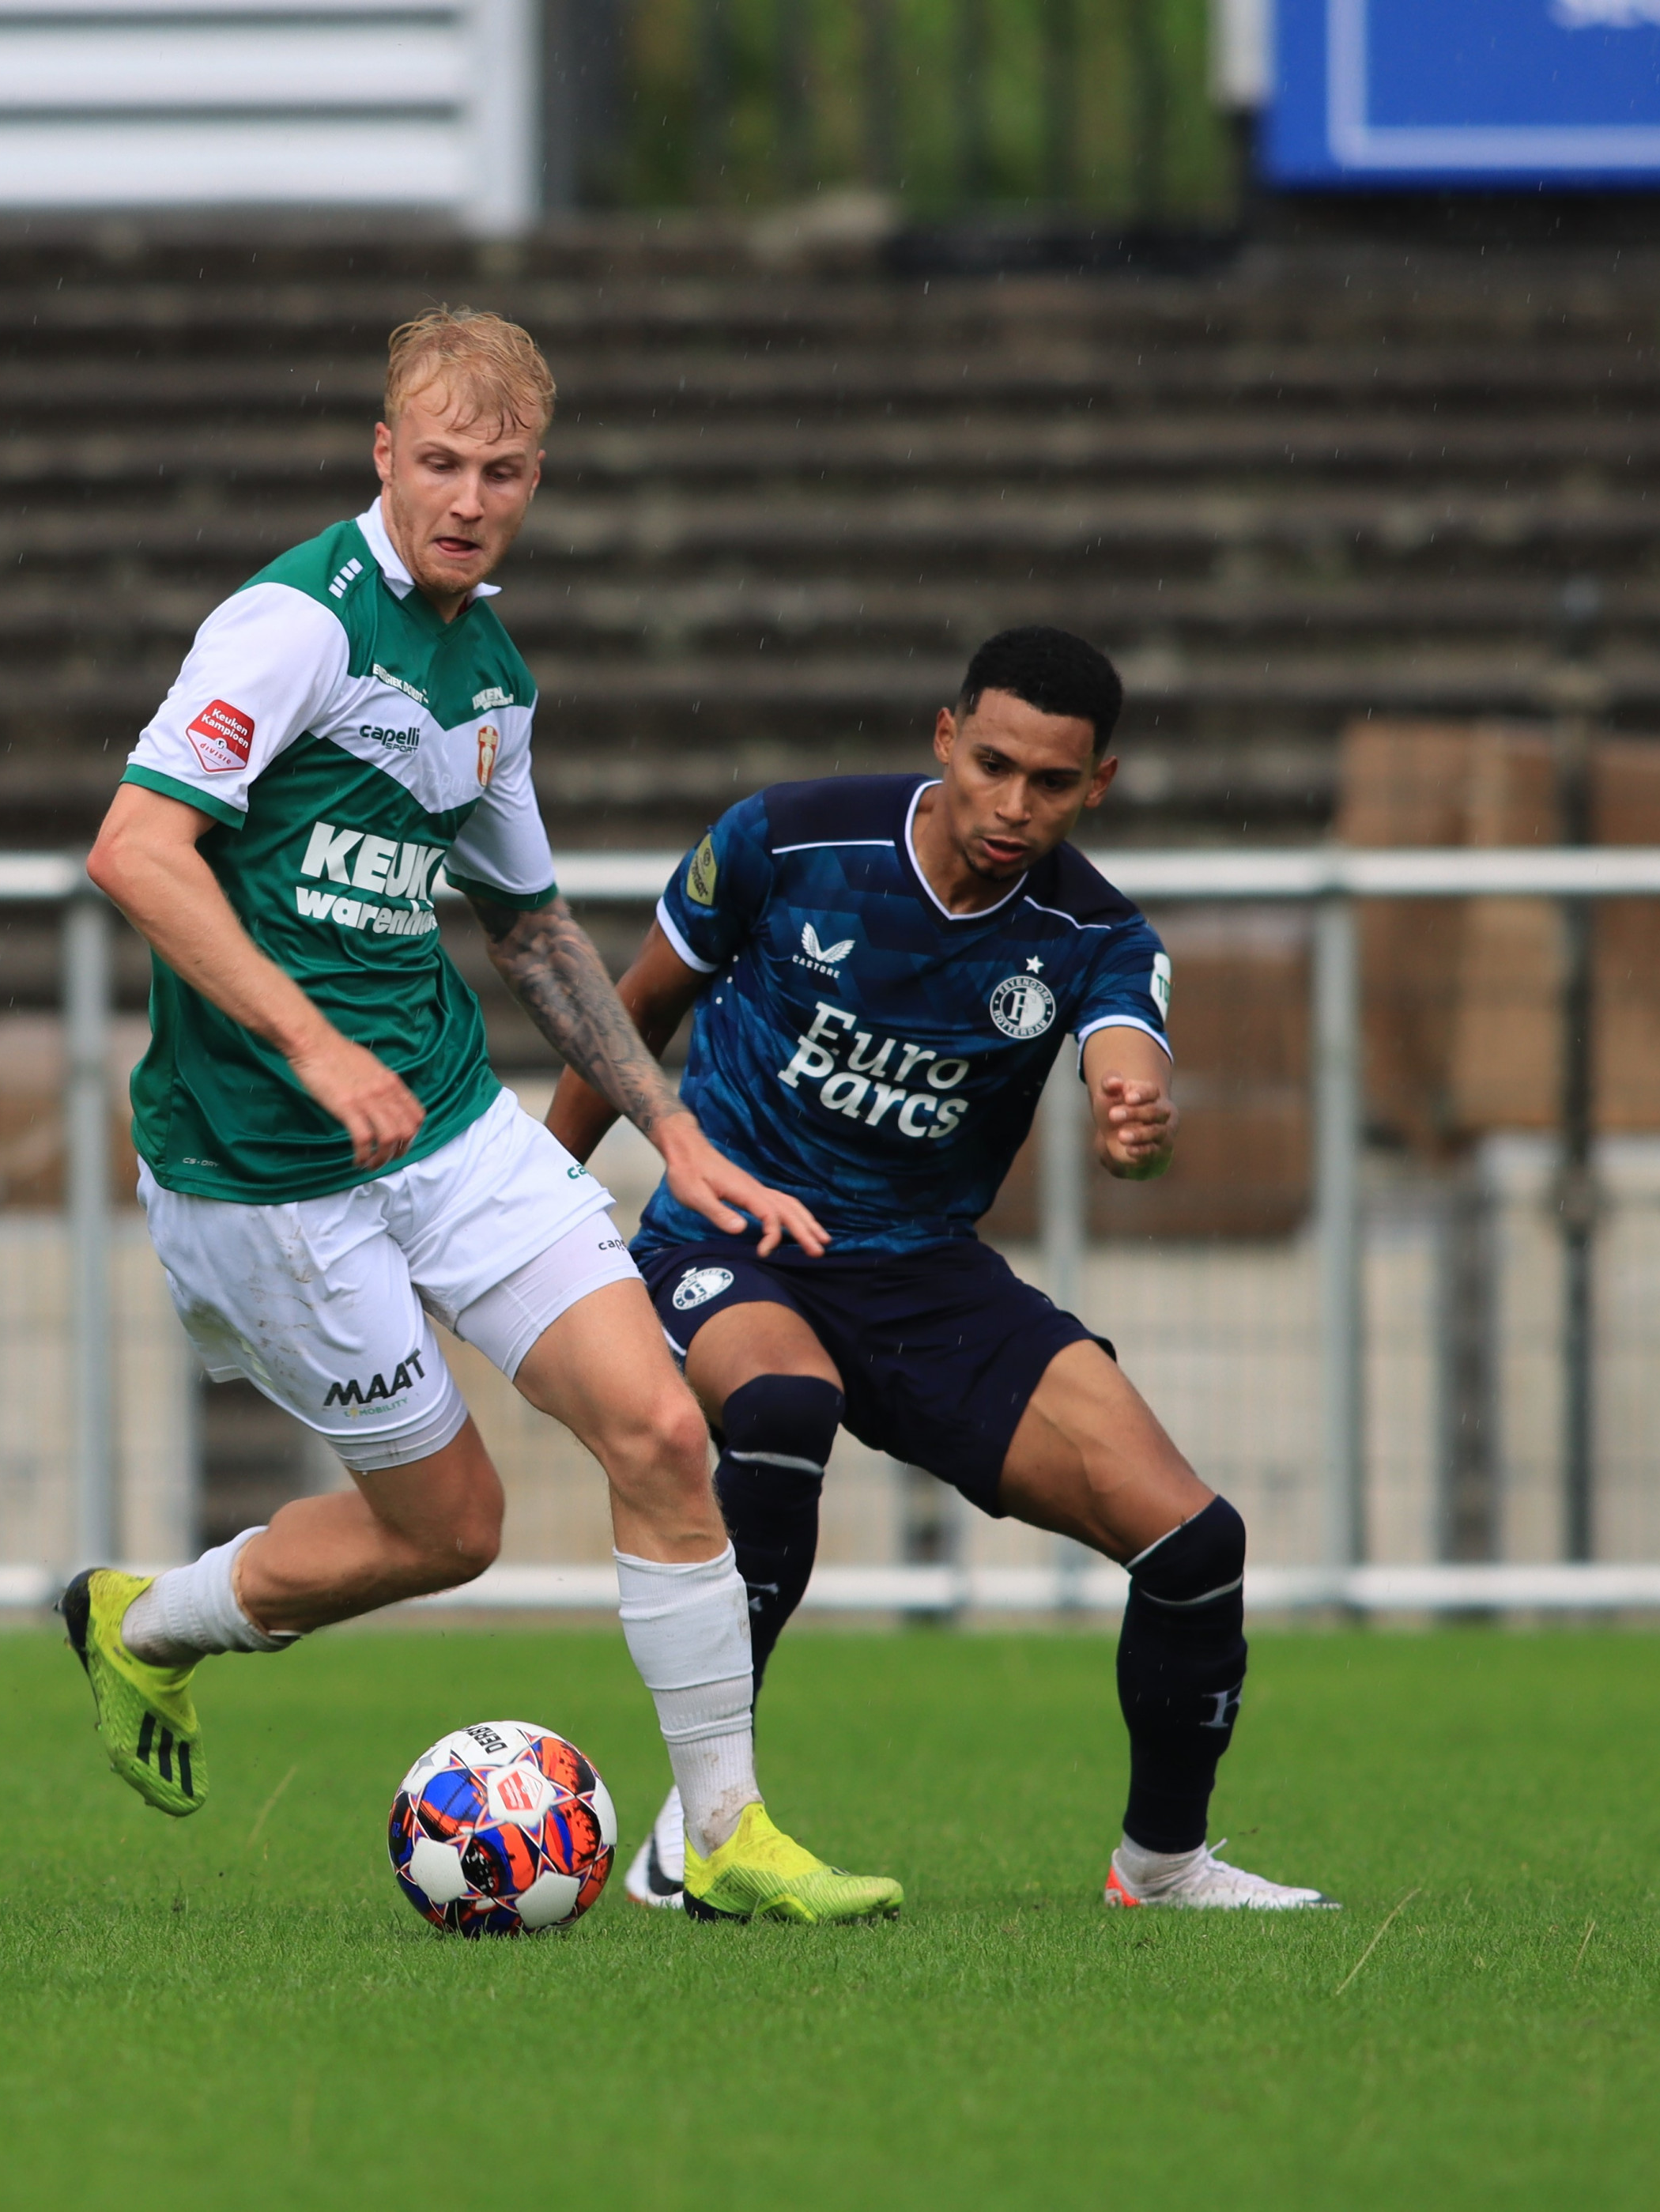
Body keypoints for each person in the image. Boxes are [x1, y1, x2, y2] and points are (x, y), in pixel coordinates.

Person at [58, 307, 900, 1925]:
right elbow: (136, 850)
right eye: (439, 461)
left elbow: (530, 926)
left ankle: (723, 1828)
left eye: (501, 470)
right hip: (266, 1169)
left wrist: (679, 1131)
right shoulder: (290, 627)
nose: (468, 495)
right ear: (384, 454)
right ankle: (143, 1624)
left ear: (534, 480)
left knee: (662, 1430)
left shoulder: (492, 671)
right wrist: (310, 1044)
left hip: (445, 1121)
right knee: (450, 1531)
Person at [546, 627, 1337, 1912]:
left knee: (1197, 1545)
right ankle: (703, 1824)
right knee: (784, 1404)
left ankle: (1165, 1864)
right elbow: (628, 1015)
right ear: (944, 738)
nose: (1014, 805)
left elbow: (1128, 1058)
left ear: (1101, 786)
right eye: (993, 765)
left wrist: (1136, 1120)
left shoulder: (1093, 933)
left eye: (1053, 783)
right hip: (733, 1234)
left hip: (925, 1279)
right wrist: (546, 1210)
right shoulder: (787, 842)